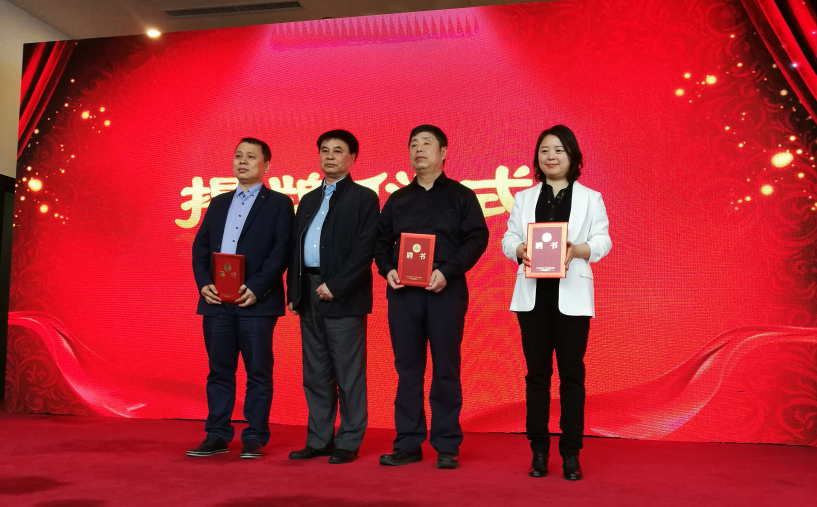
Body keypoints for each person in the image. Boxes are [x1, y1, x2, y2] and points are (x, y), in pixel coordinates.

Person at [375, 125, 489, 469]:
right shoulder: (397, 199)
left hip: (445, 291)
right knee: (407, 370)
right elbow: (380, 242)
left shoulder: (461, 196)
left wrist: (448, 271)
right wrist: (387, 269)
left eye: (427, 143)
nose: (419, 149)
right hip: (403, 295)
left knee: (446, 370)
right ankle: (408, 443)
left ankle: (446, 445)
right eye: (414, 144)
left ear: (443, 152)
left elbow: (477, 238)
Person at [501, 125, 612, 480]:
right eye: (545, 150)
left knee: (572, 376)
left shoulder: (591, 198)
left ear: (573, 157)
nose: (551, 157)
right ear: (537, 158)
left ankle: (571, 452)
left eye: (559, 150)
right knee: (537, 376)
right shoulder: (524, 198)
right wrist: (519, 249)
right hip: (532, 298)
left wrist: (580, 249)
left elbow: (603, 240)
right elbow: (508, 237)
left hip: (572, 298)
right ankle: (538, 450)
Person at [188, 137, 294, 459]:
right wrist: (204, 284)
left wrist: (257, 287)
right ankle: (217, 434)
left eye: (251, 156)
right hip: (217, 302)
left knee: (258, 373)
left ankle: (254, 436)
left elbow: (281, 252)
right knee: (219, 371)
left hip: (255, 302)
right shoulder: (218, 202)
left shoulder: (279, 203)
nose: (243, 161)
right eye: (238, 156)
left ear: (267, 165)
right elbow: (200, 247)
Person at [286, 130, 380, 464]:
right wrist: (295, 290)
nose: (329, 156)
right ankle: (319, 439)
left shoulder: (364, 198)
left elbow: (364, 250)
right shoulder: (308, 200)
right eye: (324, 150)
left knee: (348, 372)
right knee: (315, 371)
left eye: (338, 151)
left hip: (342, 296)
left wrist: (336, 286)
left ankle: (348, 441)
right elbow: (294, 249)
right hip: (309, 293)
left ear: (352, 158)